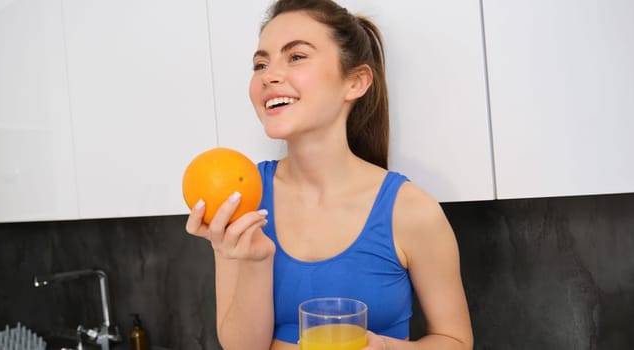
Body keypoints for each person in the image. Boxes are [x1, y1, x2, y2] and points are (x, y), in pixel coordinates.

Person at [186, 0, 473, 349]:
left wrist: (386, 348)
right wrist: (254, 261)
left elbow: (455, 341)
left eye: (296, 56)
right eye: (260, 63)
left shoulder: (411, 211)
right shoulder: (240, 198)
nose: (269, 75)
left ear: (355, 82)